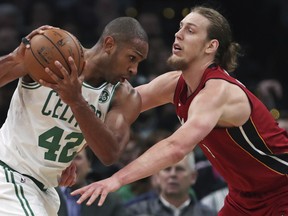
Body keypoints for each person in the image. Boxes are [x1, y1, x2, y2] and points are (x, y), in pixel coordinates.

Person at [72, 6, 288, 216]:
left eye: (190, 30)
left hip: (282, 188)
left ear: (210, 46)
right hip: (245, 197)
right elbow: (110, 105)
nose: (178, 34)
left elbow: (176, 148)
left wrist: (115, 180)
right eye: (180, 27)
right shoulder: (175, 84)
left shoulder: (218, 91)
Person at [0, 17, 148, 215]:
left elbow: (109, 154)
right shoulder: (53, 55)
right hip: (8, 170)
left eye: (139, 62)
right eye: (132, 58)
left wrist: (77, 102)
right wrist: (15, 59)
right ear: (109, 44)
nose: (134, 70)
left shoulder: (124, 97)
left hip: (46, 189)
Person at [125, 152, 217, 216]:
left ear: (193, 177)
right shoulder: (135, 212)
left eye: (179, 169)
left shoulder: (209, 214)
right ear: (157, 176)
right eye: (167, 169)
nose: (172, 174)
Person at [57, 147, 126, 216]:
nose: (71, 164)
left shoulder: (109, 200)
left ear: (89, 164)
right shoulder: (47, 191)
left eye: (77, 158)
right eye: (67, 158)